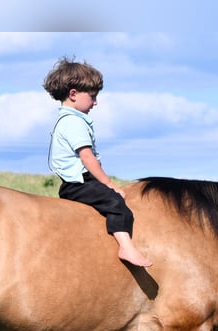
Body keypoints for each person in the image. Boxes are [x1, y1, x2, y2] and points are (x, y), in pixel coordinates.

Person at [43, 57, 152, 267]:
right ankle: (126, 247)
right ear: (73, 94)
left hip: (75, 184)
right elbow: (87, 157)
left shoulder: (68, 120)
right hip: (80, 183)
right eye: (92, 97)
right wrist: (109, 184)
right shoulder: (73, 122)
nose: (95, 102)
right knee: (115, 203)